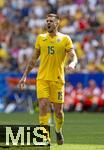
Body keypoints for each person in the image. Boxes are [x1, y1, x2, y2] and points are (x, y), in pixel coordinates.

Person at [18, 13, 78, 145]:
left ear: (57, 23)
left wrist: (73, 64)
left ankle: (58, 130)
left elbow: (73, 56)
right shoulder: (40, 38)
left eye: (51, 21)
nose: (48, 23)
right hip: (42, 79)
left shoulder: (65, 39)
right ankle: (44, 137)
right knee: (43, 105)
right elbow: (33, 59)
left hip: (57, 80)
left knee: (59, 113)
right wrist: (24, 76)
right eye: (47, 21)